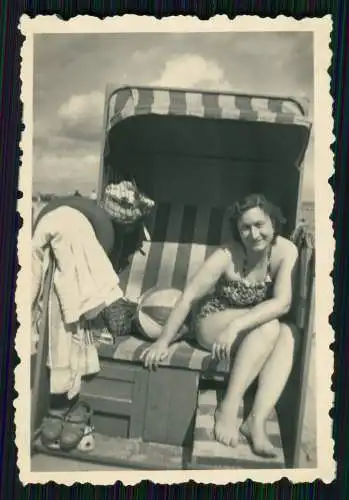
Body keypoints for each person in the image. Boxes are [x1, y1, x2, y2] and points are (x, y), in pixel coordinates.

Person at [141, 193, 299, 458]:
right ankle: (228, 406)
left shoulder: (285, 252)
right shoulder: (228, 253)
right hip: (213, 322)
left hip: (242, 328)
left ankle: (256, 421)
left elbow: (283, 304)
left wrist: (237, 326)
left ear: (273, 222)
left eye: (259, 224)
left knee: (289, 333)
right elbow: (189, 296)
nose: (253, 233)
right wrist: (162, 341)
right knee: (271, 326)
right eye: (245, 227)